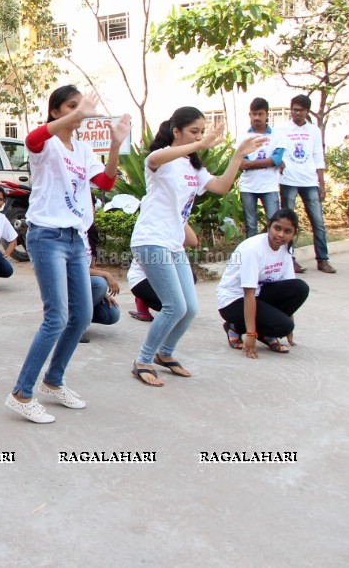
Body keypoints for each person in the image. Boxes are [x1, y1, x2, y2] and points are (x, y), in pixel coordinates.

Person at [5, 86, 128, 423]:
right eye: (72, 107)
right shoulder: (46, 146)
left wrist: (116, 144)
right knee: (56, 317)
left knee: (81, 314)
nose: (81, 111)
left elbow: (104, 182)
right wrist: (79, 113)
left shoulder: (83, 149)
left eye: (82, 106)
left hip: (75, 238)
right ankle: (21, 393)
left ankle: (53, 380)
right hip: (46, 237)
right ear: (56, 112)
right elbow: (30, 139)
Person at [129, 106, 265, 387]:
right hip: (151, 240)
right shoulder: (160, 159)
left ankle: (165, 354)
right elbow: (155, 157)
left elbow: (221, 186)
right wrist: (199, 144)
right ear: (176, 131)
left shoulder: (193, 166)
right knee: (173, 306)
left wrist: (238, 155)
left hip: (173, 243)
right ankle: (143, 360)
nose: (200, 136)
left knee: (189, 308)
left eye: (202, 131)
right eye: (194, 131)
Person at [217, 209, 310, 358]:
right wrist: (251, 334)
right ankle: (235, 326)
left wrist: (289, 328)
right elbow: (248, 293)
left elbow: (287, 286)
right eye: (277, 228)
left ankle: (266, 332)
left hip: (258, 295)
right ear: (269, 226)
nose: (280, 234)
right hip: (233, 301)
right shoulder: (253, 249)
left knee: (299, 288)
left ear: (294, 233)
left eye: (287, 231)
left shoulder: (286, 248)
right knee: (283, 326)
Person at [276, 94, 335, 273]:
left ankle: (322, 260)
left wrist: (321, 183)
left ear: (307, 111)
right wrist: (280, 163)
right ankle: (290, 260)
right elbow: (275, 149)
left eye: (301, 110)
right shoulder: (282, 129)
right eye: (294, 109)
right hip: (289, 181)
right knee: (288, 223)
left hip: (310, 181)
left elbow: (318, 157)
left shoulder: (314, 131)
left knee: (318, 222)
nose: (297, 113)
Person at [128, 223, 198, 321]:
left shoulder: (174, 229)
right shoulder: (155, 234)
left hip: (161, 276)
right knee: (175, 307)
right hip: (141, 280)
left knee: (191, 278)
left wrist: (181, 218)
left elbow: (193, 241)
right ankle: (142, 300)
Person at [238, 98, 282, 238]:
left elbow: (277, 159)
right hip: (248, 187)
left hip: (269, 187)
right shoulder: (243, 137)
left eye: (260, 114)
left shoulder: (276, 135)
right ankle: (252, 259)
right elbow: (240, 163)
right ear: (250, 115)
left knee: (275, 224)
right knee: (251, 226)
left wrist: (251, 164)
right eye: (254, 114)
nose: (257, 117)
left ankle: (276, 257)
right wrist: (268, 162)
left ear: (267, 114)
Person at [80, 221, 120, 342]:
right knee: (99, 283)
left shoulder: (91, 233)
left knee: (112, 314)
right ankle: (73, 327)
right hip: (68, 285)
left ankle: (78, 320)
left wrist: (102, 293)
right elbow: (73, 268)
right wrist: (107, 275)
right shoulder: (70, 231)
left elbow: (90, 268)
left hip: (83, 285)